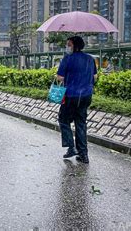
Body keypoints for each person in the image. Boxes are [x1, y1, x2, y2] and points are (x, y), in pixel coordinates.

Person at [56, 36, 97, 164]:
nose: (67, 47)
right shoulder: (90, 59)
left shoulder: (67, 59)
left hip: (71, 95)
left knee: (63, 119)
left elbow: (59, 77)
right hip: (86, 95)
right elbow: (95, 77)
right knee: (81, 123)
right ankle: (83, 155)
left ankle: (71, 146)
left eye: (68, 44)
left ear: (74, 45)